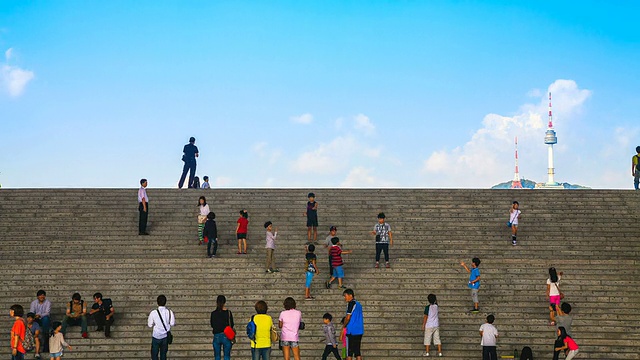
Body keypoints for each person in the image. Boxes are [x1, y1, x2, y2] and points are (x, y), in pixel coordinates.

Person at [148, 295, 175, 360]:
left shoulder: (153, 313)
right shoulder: (169, 312)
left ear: (157, 302)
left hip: (156, 336)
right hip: (165, 337)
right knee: (163, 355)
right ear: (165, 302)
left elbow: (150, 325)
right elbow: (172, 323)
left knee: (154, 355)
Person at [210, 295, 234, 360]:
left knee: (217, 356)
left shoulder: (213, 313)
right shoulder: (228, 313)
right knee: (227, 356)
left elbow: (212, 325)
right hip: (226, 335)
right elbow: (232, 324)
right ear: (224, 302)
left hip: (217, 335)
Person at [342, 289, 364, 360]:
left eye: (345, 296)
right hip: (359, 330)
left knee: (349, 353)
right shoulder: (359, 304)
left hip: (351, 331)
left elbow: (348, 317)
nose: (345, 298)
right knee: (357, 352)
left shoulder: (351, 304)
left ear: (350, 295)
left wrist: (344, 325)